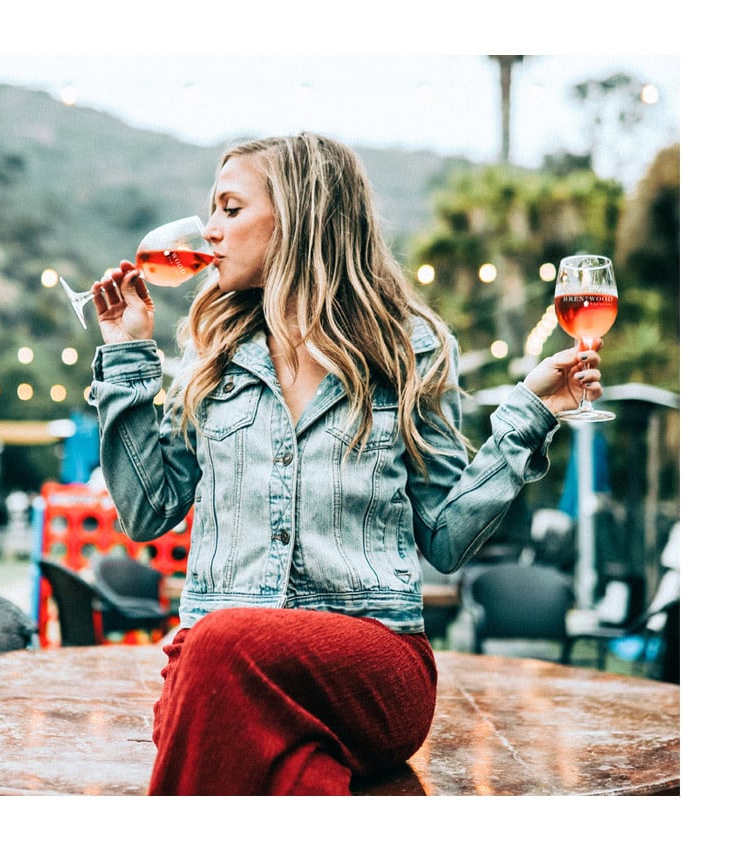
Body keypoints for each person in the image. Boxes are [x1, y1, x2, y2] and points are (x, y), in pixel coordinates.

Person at [87, 132, 606, 795]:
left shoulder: (408, 350)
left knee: (216, 650)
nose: (210, 231)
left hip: (370, 661)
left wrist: (528, 412)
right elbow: (146, 511)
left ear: (299, 217)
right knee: (276, 752)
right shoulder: (213, 357)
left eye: (230, 208)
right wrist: (127, 351)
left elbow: (446, 539)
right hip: (221, 672)